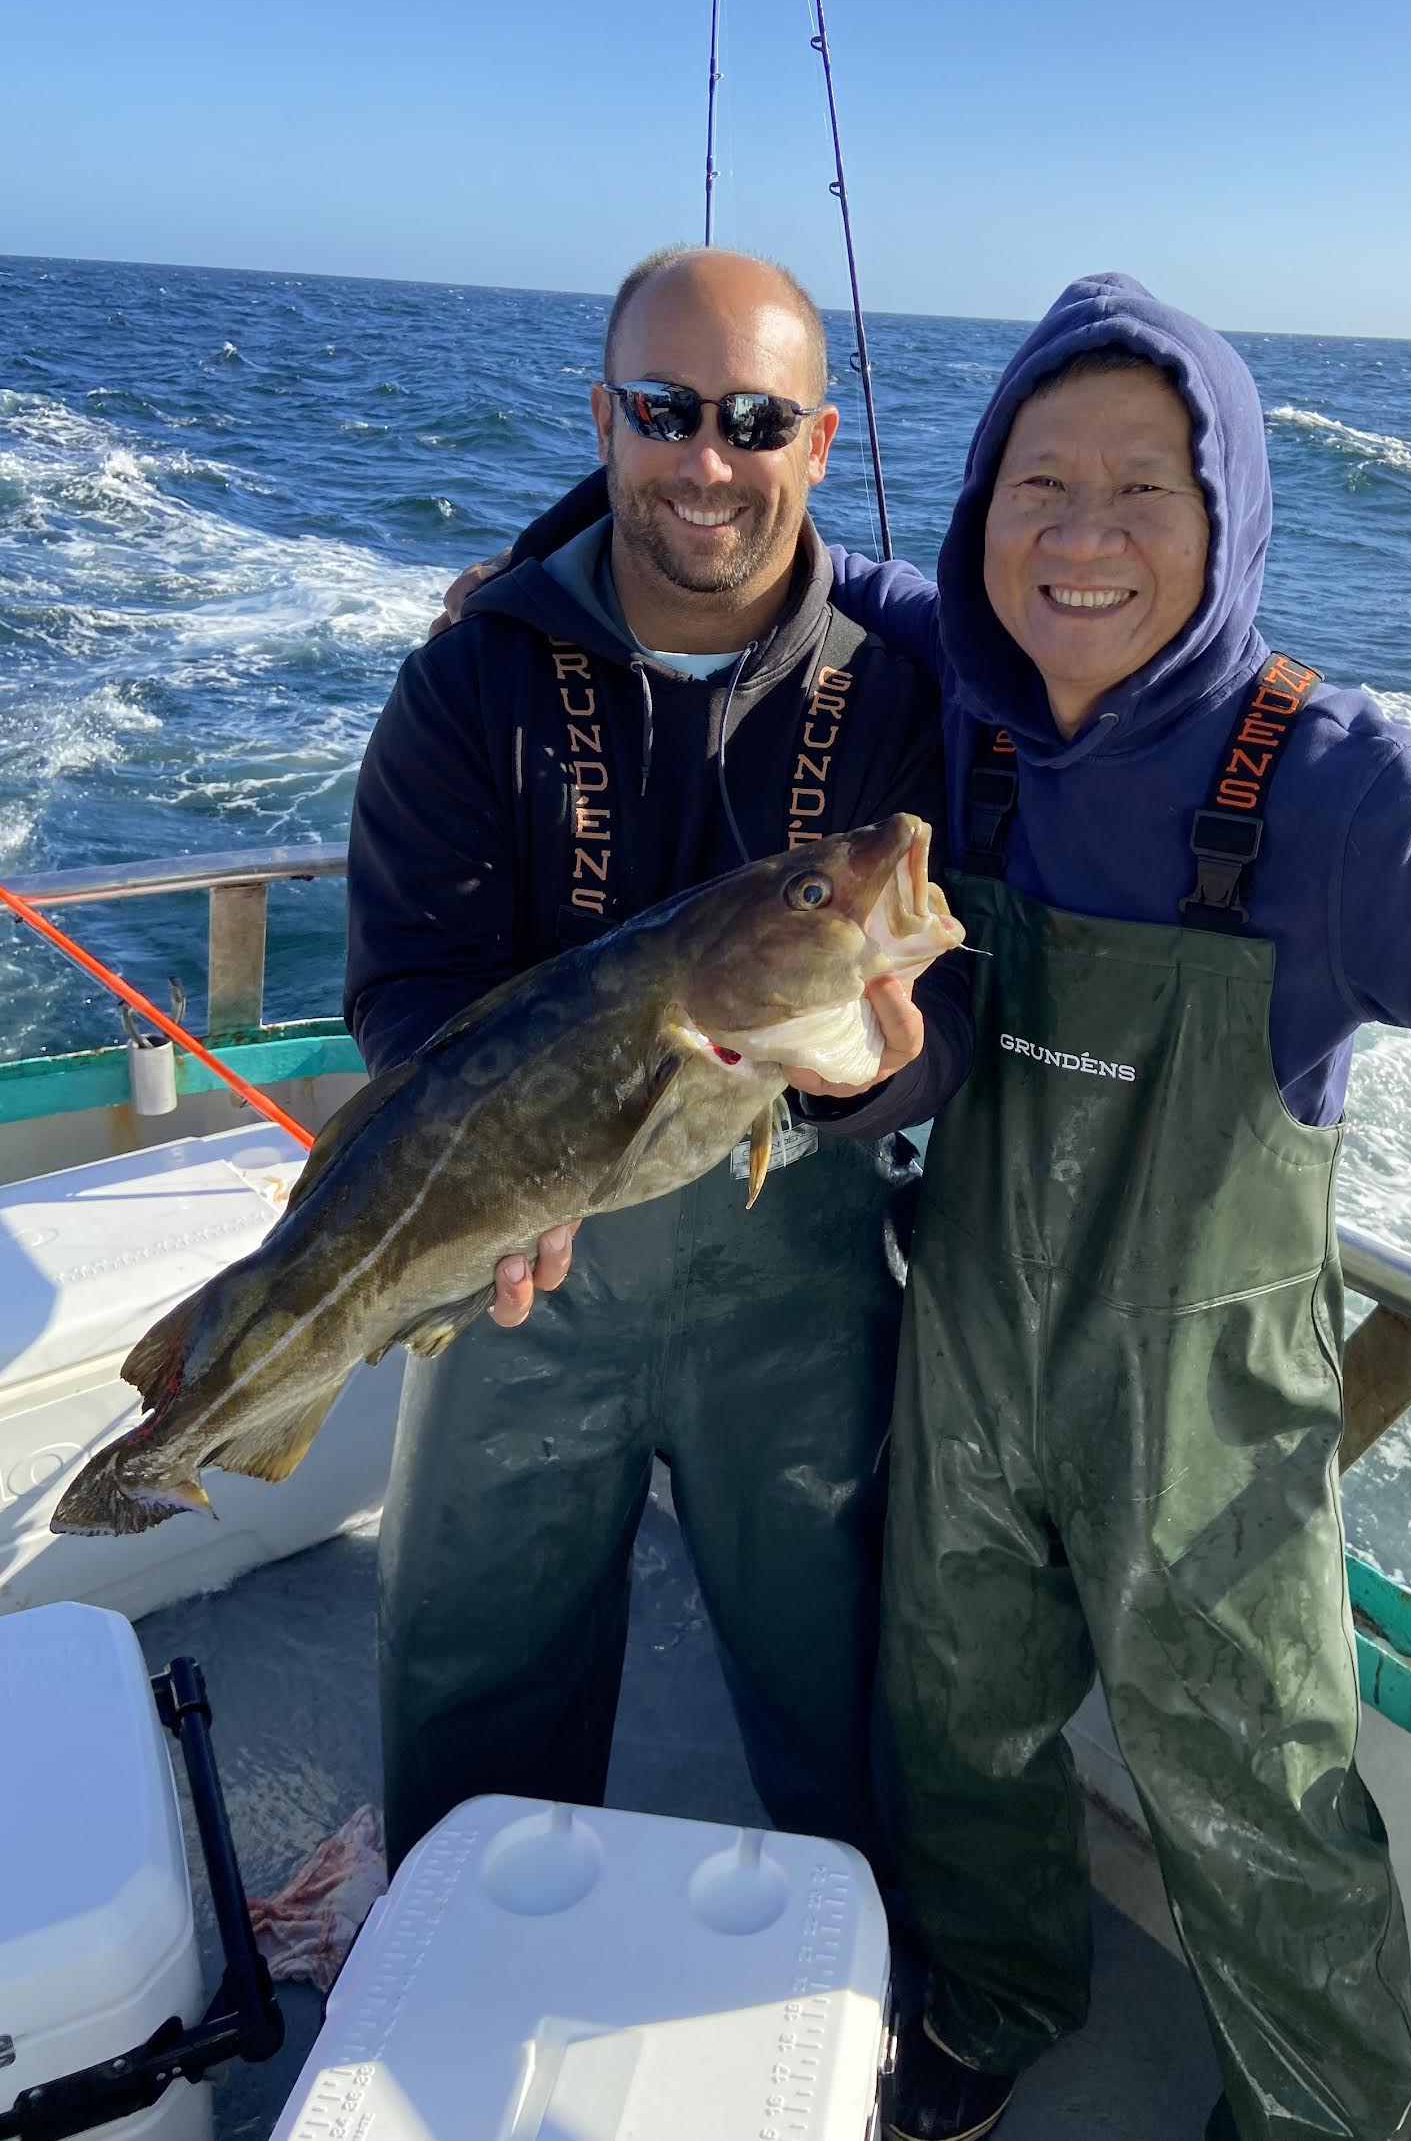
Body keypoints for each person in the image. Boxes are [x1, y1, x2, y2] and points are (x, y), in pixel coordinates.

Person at [441, 270, 1411, 2141]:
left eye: (1144, 490)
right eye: (1039, 485)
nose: (1082, 538)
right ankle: (995, 2003)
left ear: (1231, 515)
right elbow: (723, 508)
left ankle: (1326, 2115)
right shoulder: (962, 682)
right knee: (958, 1723)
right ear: (982, 514)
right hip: (968, 1341)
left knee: (1254, 1784)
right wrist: (522, 578)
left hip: (1206, 1411)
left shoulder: (1345, 796)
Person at [344, 245, 967, 1873]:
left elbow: (961, 1015)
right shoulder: (470, 680)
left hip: (799, 1290)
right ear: (602, 419)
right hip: (524, 1279)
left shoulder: (901, 697)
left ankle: (865, 1968)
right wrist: (498, 1162)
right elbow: (410, 980)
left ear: (818, 442)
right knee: (476, 1674)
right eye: (663, 409)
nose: (706, 460)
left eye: (754, 420)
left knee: (843, 1677)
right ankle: (455, 1948)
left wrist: (882, 1076)